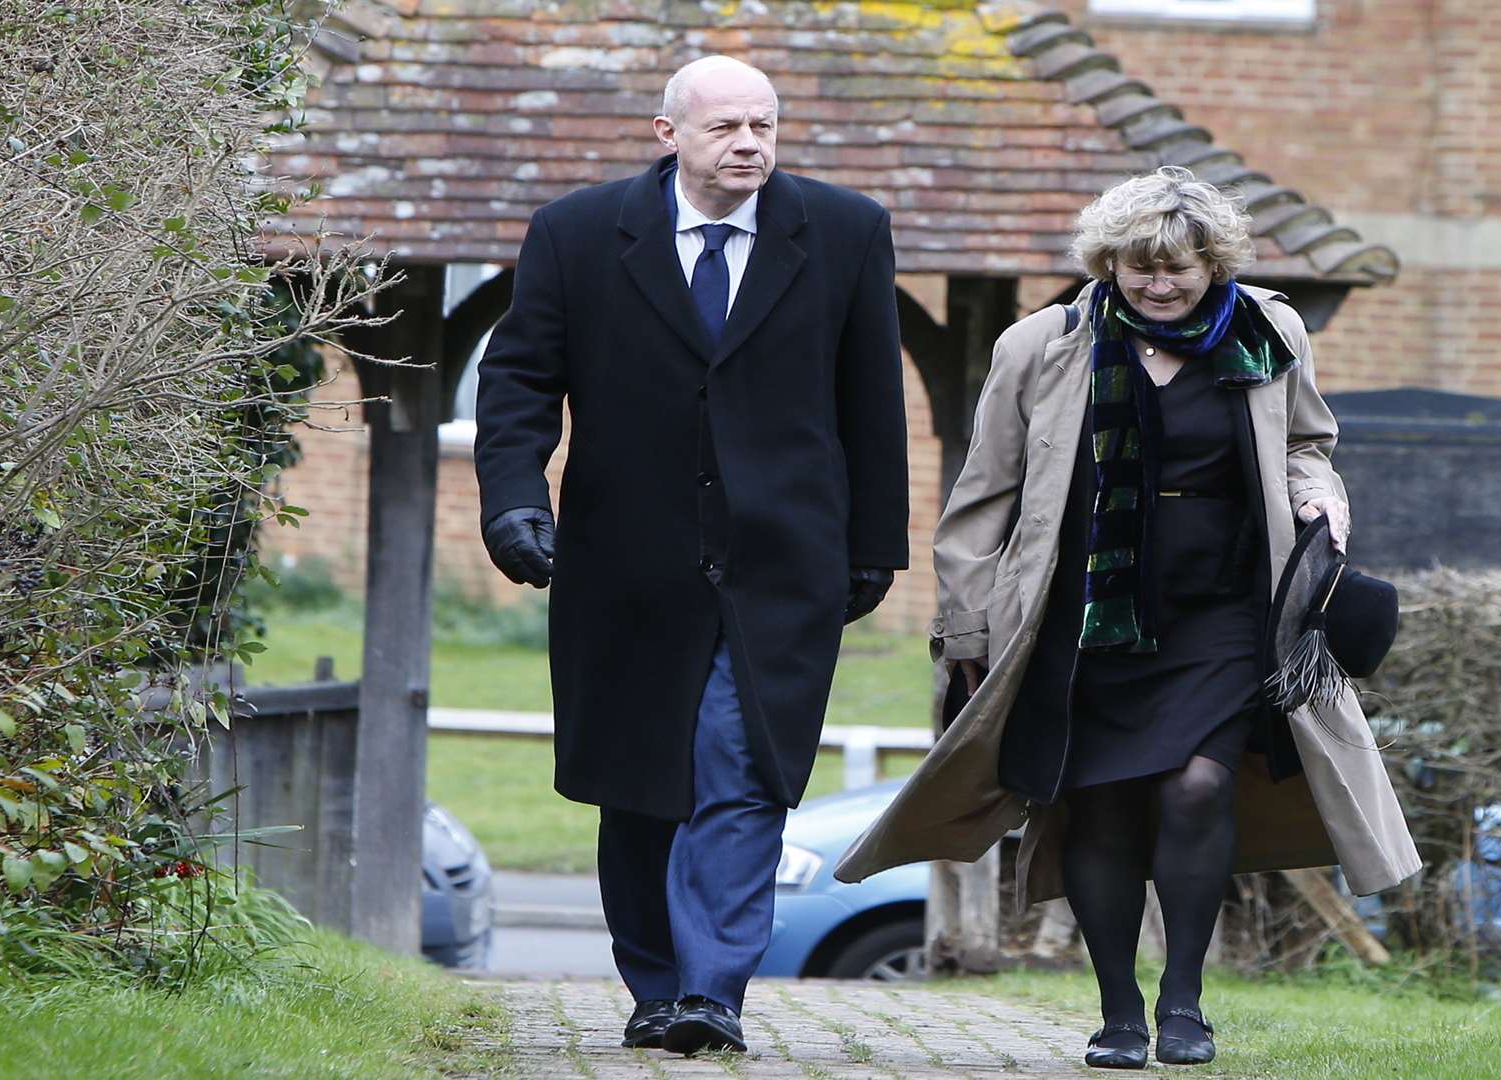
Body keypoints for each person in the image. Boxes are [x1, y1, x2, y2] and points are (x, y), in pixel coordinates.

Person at [835, 167, 1420, 1070]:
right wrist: (968, 631)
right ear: (1106, 263)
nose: (1156, 284)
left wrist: (1319, 501)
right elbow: (984, 495)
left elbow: (1308, 442)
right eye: (1136, 267)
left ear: (1212, 263)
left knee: (1196, 786)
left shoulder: (1270, 329)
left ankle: (1184, 1001)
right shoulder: (1044, 344)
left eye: (1176, 269)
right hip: (1086, 616)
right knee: (1099, 807)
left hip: (1225, 608)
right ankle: (1118, 1014)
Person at [474, 55, 908, 1056]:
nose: (748, 144)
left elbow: (871, 403)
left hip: (781, 564)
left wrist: (875, 544)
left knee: (742, 767)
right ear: (667, 133)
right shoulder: (578, 234)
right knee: (638, 782)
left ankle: (712, 991)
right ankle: (656, 985)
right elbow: (518, 387)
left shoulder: (844, 232)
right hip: (623, 566)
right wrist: (512, 508)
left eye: (763, 125)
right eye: (725, 128)